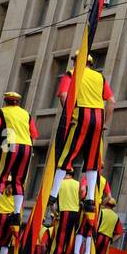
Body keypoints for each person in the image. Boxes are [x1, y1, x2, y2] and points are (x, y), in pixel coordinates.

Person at [48, 53, 113, 215]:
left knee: (67, 155)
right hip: (98, 117)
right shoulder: (100, 77)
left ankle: (53, 194)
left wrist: (68, 115)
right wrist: (105, 123)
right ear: (91, 63)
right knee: (92, 160)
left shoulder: (71, 74)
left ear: (76, 62)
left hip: (81, 114)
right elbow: (112, 101)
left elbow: (63, 95)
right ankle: (91, 199)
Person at [0, 90, 37, 225]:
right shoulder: (26, 114)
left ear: (6, 101)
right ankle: (17, 213)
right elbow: (34, 134)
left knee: (1, 176)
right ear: (18, 102)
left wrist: (1, 144)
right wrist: (30, 150)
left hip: (9, 143)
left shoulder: (2, 112)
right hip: (26, 146)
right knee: (18, 181)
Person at [49, 167, 82, 254]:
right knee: (71, 242)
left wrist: (55, 213)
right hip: (77, 214)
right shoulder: (78, 184)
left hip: (65, 213)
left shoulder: (59, 183)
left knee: (60, 241)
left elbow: (52, 203)